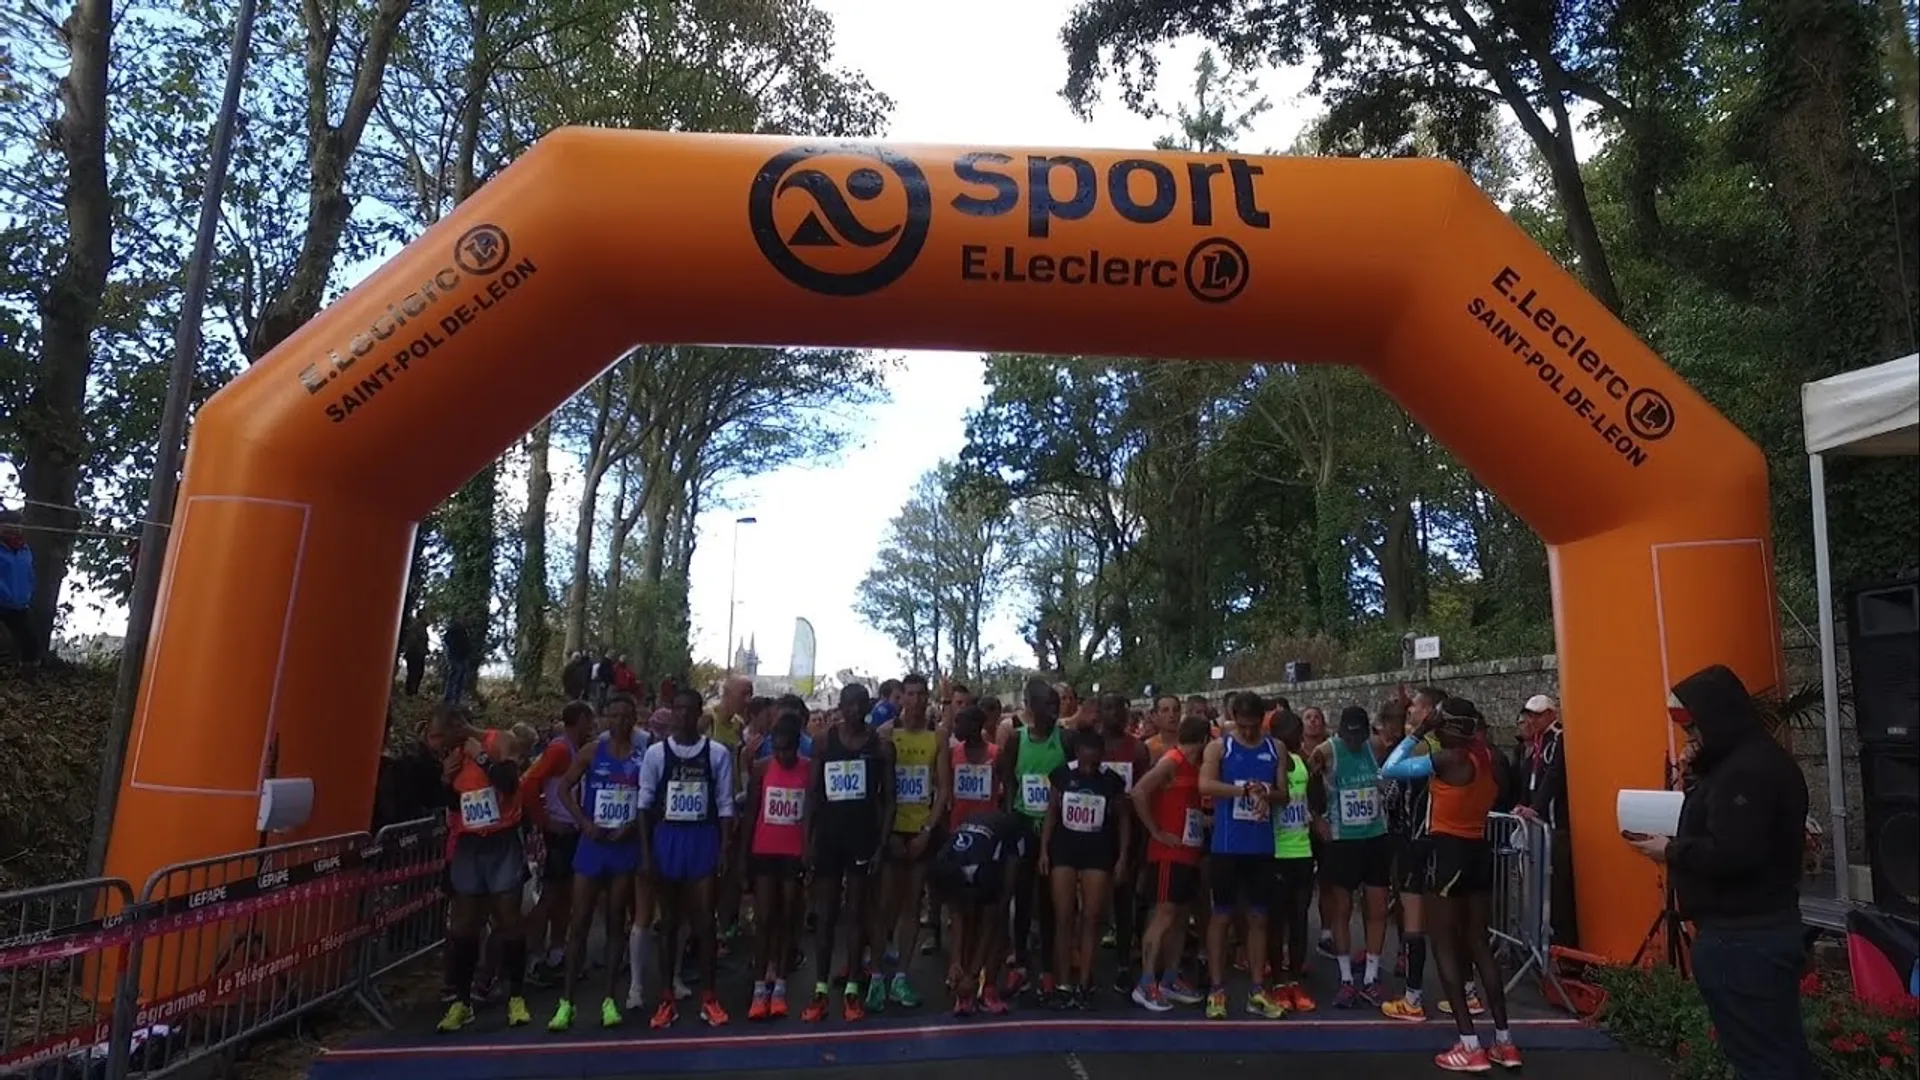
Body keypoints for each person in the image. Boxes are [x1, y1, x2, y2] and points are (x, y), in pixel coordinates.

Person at [1625, 665, 1816, 1080]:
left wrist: (1671, 850)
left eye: (1694, 727)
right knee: (1774, 1052)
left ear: (1717, 718)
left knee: (1763, 1059)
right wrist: (1699, 771)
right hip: (1756, 930)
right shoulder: (1749, 764)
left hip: (1743, 936)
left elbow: (1734, 851)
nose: (1689, 736)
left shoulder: (1746, 772)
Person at [1383, 696, 1521, 1071]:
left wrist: (1420, 732)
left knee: (1444, 944)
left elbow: (1390, 769)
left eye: (1441, 723)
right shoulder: (1491, 758)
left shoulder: (1450, 759)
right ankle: (1505, 1042)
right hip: (1479, 850)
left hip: (1447, 852)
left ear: (1451, 728)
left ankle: (1469, 1043)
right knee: (1479, 944)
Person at [547, 695, 649, 1031]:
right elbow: (563, 789)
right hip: (592, 846)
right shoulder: (592, 751)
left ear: (633, 720)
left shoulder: (643, 755)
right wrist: (583, 822)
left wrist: (632, 825)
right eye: (613, 715)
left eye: (625, 716)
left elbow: (651, 800)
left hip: (623, 846)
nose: (618, 721)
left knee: (616, 921)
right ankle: (567, 1002)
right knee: (580, 921)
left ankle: (609, 999)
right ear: (605, 718)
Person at [637, 688, 735, 1028]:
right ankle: (666, 999)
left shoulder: (718, 753)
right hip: (668, 838)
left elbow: (725, 804)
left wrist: (724, 847)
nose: (682, 715)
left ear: (698, 714)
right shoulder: (655, 755)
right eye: (677, 708)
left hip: (703, 838)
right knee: (669, 924)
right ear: (672, 712)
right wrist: (647, 854)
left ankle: (709, 997)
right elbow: (645, 806)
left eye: (688, 709)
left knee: (705, 923)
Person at [435, 708, 534, 1032]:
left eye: (440, 735)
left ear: (458, 726)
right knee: (464, 926)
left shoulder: (498, 740)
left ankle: (516, 997)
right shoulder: (452, 756)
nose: (436, 743)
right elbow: (451, 803)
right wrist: (446, 779)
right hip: (469, 843)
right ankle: (463, 1003)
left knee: (508, 921)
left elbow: (507, 784)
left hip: (502, 840)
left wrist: (481, 760)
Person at [803, 683, 893, 1022]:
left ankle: (853, 988)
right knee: (825, 916)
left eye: (860, 705)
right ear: (840, 706)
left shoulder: (881, 746)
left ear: (868, 706)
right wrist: (806, 842)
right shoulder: (824, 742)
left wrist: (882, 845)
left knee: (856, 915)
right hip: (828, 837)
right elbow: (813, 794)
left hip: (863, 838)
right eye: (849, 705)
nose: (854, 711)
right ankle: (821, 989)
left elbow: (889, 800)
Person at [1198, 690, 1288, 1019]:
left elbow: (1285, 795)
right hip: (1227, 845)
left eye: (1254, 726)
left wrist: (1267, 793)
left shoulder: (1274, 747)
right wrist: (1243, 790)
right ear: (1234, 718)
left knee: (1258, 918)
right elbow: (1205, 785)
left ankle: (1256, 990)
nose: (1249, 732)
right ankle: (1217, 990)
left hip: (1261, 846)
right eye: (1244, 726)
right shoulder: (1220, 746)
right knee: (1221, 916)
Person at [1040, 728, 1132, 1006]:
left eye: (1095, 762)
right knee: (1064, 917)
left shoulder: (1111, 781)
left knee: (1092, 918)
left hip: (1098, 852)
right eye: (1085, 761)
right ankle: (1064, 982)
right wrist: (1043, 850)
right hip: (1065, 850)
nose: (1089, 767)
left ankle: (1085, 982)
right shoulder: (1061, 775)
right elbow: (1052, 812)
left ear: (1101, 756)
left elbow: (1123, 821)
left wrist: (1123, 857)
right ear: (1077, 754)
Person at [1311, 704, 1392, 1007]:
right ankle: (1346, 978)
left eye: (1358, 737)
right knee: (1341, 909)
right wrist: (1316, 817)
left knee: (1378, 908)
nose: (1354, 743)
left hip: (1374, 838)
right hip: (1342, 841)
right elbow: (1307, 778)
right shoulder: (1327, 750)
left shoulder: (1376, 746)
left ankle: (1370, 976)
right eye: (1349, 737)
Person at [872, 672, 943, 1011]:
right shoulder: (885, 735)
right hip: (891, 831)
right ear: (901, 698)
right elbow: (876, 790)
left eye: (920, 694)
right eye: (909, 694)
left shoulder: (937, 738)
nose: (914, 701)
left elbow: (943, 789)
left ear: (927, 698)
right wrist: (884, 834)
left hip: (919, 832)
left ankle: (901, 976)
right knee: (885, 903)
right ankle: (873, 976)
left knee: (912, 904)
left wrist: (928, 830)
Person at [1129, 714, 1210, 1011]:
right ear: (1203, 741)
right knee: (1163, 914)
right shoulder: (1172, 760)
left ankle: (1171, 978)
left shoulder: (1194, 766)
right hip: (1167, 853)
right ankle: (1146, 982)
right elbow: (1139, 792)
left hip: (1189, 850)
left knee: (1179, 917)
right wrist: (1156, 832)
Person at [999, 678, 1068, 999]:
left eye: (1057, 706)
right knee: (1022, 898)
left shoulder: (1065, 739)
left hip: (1055, 829)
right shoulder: (1016, 739)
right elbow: (1006, 776)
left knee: (1049, 902)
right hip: (1024, 824)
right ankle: (1021, 966)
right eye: (1048, 705)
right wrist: (1015, 813)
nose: (1054, 712)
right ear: (1032, 707)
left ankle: (1049, 970)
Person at [521, 701, 598, 984]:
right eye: (589, 721)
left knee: (565, 895)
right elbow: (529, 783)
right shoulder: (559, 749)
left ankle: (557, 952)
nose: (592, 727)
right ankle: (535, 957)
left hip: (572, 829)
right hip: (560, 829)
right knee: (552, 894)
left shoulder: (575, 748)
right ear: (579, 720)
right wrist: (543, 820)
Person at [745, 709, 812, 1020]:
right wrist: (743, 856)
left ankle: (781, 985)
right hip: (764, 851)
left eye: (789, 748)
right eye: (779, 748)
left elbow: (812, 815)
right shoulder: (761, 769)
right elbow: (751, 813)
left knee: (787, 918)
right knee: (764, 918)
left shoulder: (809, 771)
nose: (783, 755)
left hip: (794, 854)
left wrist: (808, 851)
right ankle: (760, 987)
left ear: (797, 745)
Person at [929, 807, 1025, 1017]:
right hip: (978, 839)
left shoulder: (984, 872)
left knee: (997, 915)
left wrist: (973, 974)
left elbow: (989, 925)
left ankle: (988, 987)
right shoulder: (944, 861)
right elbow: (957, 917)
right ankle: (964, 990)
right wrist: (955, 961)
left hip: (1007, 840)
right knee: (969, 917)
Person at [1378, 694, 1436, 1021]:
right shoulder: (1469, 754)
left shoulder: (1426, 751)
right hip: (1452, 845)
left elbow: (1390, 770)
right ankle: (1469, 993)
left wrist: (1414, 733)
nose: (1408, 710)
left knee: (1416, 920)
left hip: (1419, 841)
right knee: (1449, 924)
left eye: (1414, 705)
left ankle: (1413, 998)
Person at [1094, 691, 1153, 993]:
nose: (1115, 713)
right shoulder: (1089, 745)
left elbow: (1145, 795)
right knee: (1091, 903)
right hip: (1093, 832)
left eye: (1120, 707)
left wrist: (1141, 841)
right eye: (1108, 706)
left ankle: (1123, 962)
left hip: (1127, 832)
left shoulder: (1139, 750)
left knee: (1125, 899)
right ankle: (1086, 964)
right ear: (1099, 712)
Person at [1513, 693, 1576, 947]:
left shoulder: (1558, 740)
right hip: (1542, 825)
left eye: (1539, 714)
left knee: (1558, 892)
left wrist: (1535, 809)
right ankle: (1544, 943)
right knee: (1543, 888)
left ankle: (1561, 946)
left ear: (1551, 713)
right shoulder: (1539, 743)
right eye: (1531, 714)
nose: (1533, 719)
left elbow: (1554, 777)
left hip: (1554, 825)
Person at [1267, 708, 1318, 1013]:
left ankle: (1296, 980)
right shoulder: (1270, 766)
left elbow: (1311, 801)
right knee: (1277, 921)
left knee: (1299, 919)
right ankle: (1277, 982)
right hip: (1276, 852)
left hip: (1301, 850)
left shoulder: (1301, 763)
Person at [0, 510, 40, 664]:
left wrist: (27, 594)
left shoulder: (25, 550)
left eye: (17, 525)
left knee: (31, 644)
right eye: (7, 525)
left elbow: (29, 574)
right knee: (4, 642)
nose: (13, 529)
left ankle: (29, 680)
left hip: (18, 605)